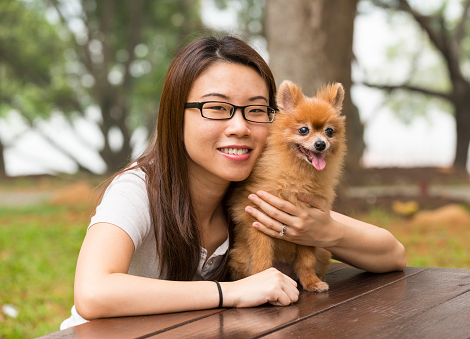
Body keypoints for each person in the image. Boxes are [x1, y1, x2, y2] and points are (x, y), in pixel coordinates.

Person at [61, 35, 406, 329]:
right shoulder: (139, 190)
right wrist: (233, 292)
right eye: (216, 107)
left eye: (256, 110)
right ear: (174, 115)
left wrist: (322, 231)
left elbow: (392, 254)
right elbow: (93, 294)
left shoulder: (249, 190)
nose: (239, 126)